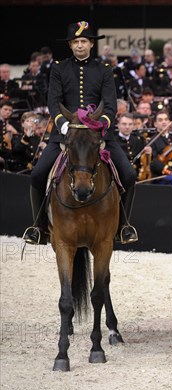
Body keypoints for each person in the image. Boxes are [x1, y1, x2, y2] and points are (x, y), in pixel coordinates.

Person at [22, 21, 139, 245]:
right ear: (70, 45)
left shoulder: (104, 70)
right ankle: (38, 227)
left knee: (129, 175)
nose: (79, 45)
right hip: (65, 134)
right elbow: (54, 102)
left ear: (91, 44)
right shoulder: (59, 68)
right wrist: (63, 125)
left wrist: (101, 125)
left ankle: (123, 225)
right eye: (75, 41)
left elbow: (111, 105)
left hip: (99, 136)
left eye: (83, 41)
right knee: (37, 175)